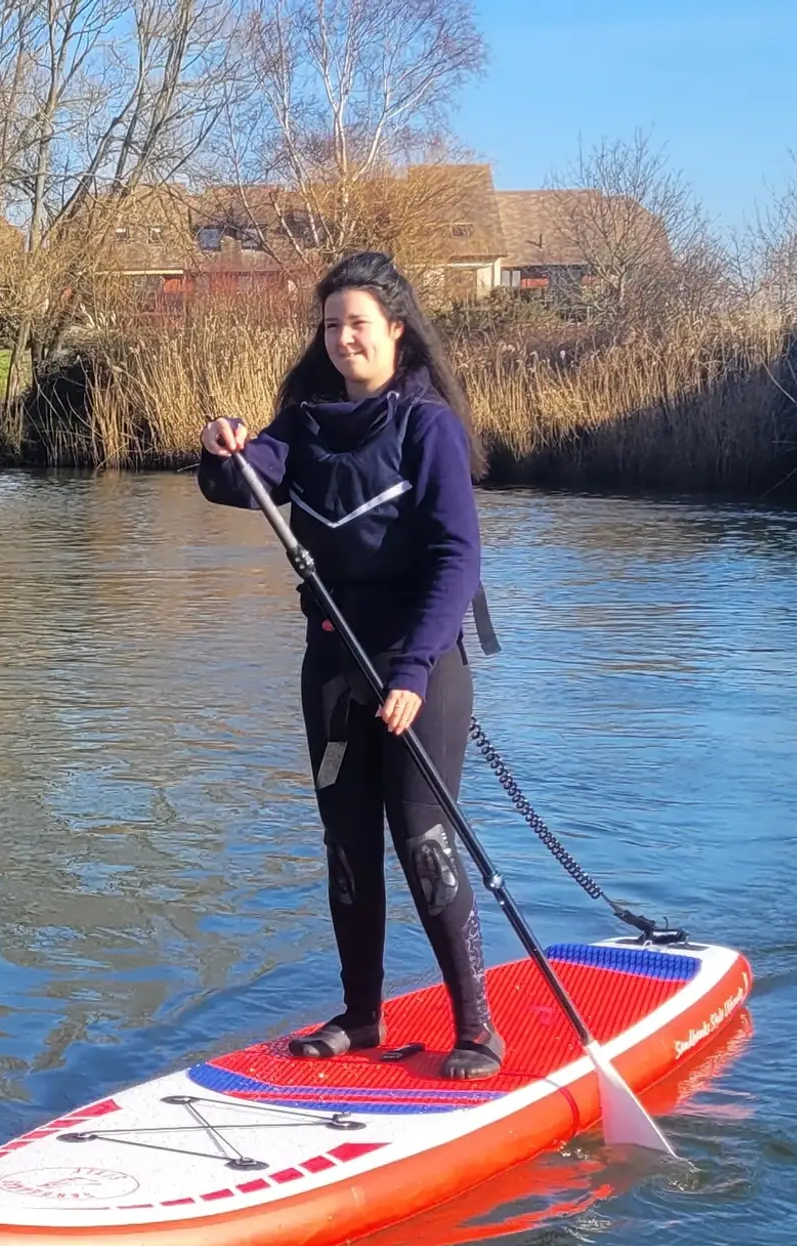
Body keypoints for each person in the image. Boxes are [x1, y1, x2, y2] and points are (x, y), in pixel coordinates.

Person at [197, 251, 501, 1079]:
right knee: (346, 844)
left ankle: (477, 1026)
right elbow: (242, 482)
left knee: (423, 838)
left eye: (357, 324)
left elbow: (457, 556)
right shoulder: (305, 421)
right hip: (332, 664)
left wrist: (411, 672)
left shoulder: (426, 425)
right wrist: (225, 443)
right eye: (330, 326)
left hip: (418, 667)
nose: (341, 340)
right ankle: (362, 1018)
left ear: (395, 330)